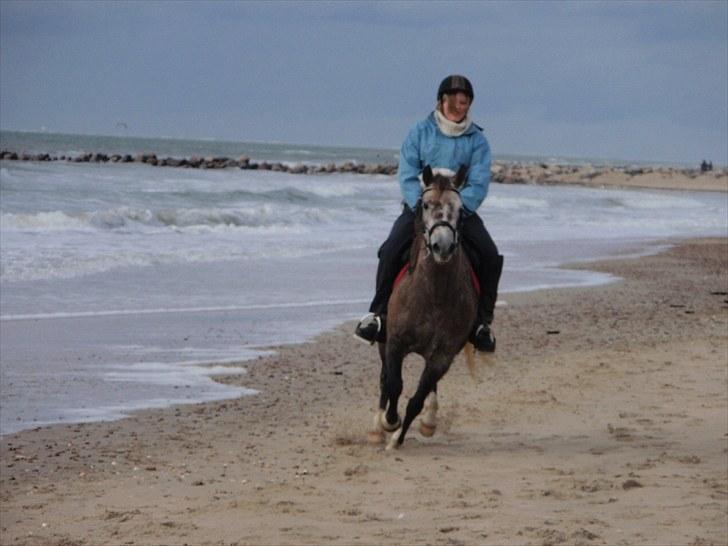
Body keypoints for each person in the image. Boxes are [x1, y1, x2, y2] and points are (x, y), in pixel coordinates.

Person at [354, 75, 503, 352]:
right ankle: (376, 316)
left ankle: (482, 323)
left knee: (491, 257)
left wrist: (459, 207)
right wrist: (419, 206)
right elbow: (408, 174)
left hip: (459, 212)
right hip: (421, 210)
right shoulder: (419, 132)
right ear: (443, 100)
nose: (463, 103)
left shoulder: (477, 141)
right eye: (458, 99)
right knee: (389, 251)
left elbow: (479, 182)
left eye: (467, 100)